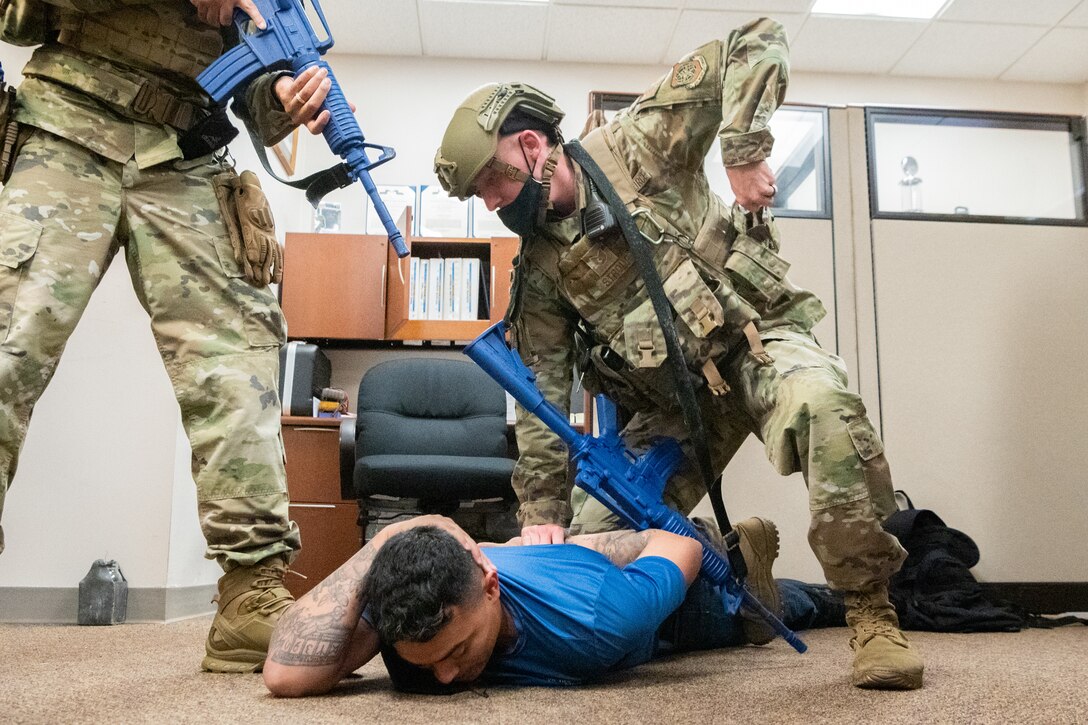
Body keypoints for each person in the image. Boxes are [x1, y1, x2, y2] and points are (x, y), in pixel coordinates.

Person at [432, 18, 922, 689]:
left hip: (755, 346)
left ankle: (871, 612)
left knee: (824, 406)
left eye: (492, 181)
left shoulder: (637, 145)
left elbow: (754, 40)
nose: (490, 203)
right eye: (479, 195)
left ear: (531, 145)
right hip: (674, 408)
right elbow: (541, 394)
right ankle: (737, 575)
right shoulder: (541, 269)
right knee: (593, 555)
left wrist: (743, 149)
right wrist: (543, 516)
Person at [0, 0, 334, 671]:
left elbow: (253, 96)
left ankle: (251, 594)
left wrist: (283, 95)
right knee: (10, 346)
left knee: (239, 366)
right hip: (67, 124)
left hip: (187, 152)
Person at [262, 513, 843, 696]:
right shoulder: (414, 608)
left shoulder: (595, 620)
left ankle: (766, 576)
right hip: (559, 560)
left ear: (490, 587)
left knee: (792, 607)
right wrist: (395, 534)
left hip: (687, 599)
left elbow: (677, 544)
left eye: (457, 652)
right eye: (428, 662)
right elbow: (286, 676)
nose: (444, 677)